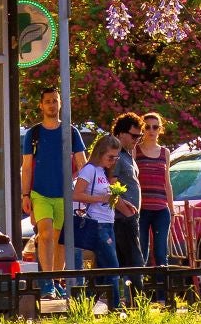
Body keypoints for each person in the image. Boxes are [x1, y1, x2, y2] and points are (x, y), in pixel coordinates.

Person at [20, 86, 85, 296]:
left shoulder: (71, 131)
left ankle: (56, 281)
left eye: (55, 100)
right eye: (47, 101)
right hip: (39, 193)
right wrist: (25, 195)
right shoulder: (33, 133)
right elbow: (26, 167)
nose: (51, 105)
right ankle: (47, 282)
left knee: (59, 240)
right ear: (41, 105)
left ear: (60, 103)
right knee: (46, 234)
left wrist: (85, 190)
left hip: (64, 194)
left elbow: (82, 163)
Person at [72, 133, 126, 309]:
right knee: (112, 267)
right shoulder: (90, 170)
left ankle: (84, 305)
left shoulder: (103, 171)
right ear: (100, 153)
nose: (113, 161)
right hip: (97, 224)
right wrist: (100, 198)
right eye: (110, 157)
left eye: (116, 158)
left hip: (108, 222)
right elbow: (76, 194)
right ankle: (116, 308)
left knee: (102, 271)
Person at [135, 110, 177, 270]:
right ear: (142, 129)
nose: (151, 130)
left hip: (161, 209)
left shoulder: (165, 152)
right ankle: (139, 285)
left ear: (160, 129)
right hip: (142, 209)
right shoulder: (135, 151)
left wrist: (172, 210)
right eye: (147, 127)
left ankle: (162, 286)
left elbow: (167, 182)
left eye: (155, 127)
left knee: (161, 253)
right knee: (141, 253)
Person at [110, 113, 143, 275]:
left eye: (139, 136)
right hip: (121, 218)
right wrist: (126, 211)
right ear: (121, 133)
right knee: (135, 263)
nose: (137, 140)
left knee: (128, 264)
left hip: (129, 217)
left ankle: (128, 290)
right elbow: (111, 185)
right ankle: (135, 291)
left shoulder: (128, 154)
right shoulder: (115, 154)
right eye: (134, 136)